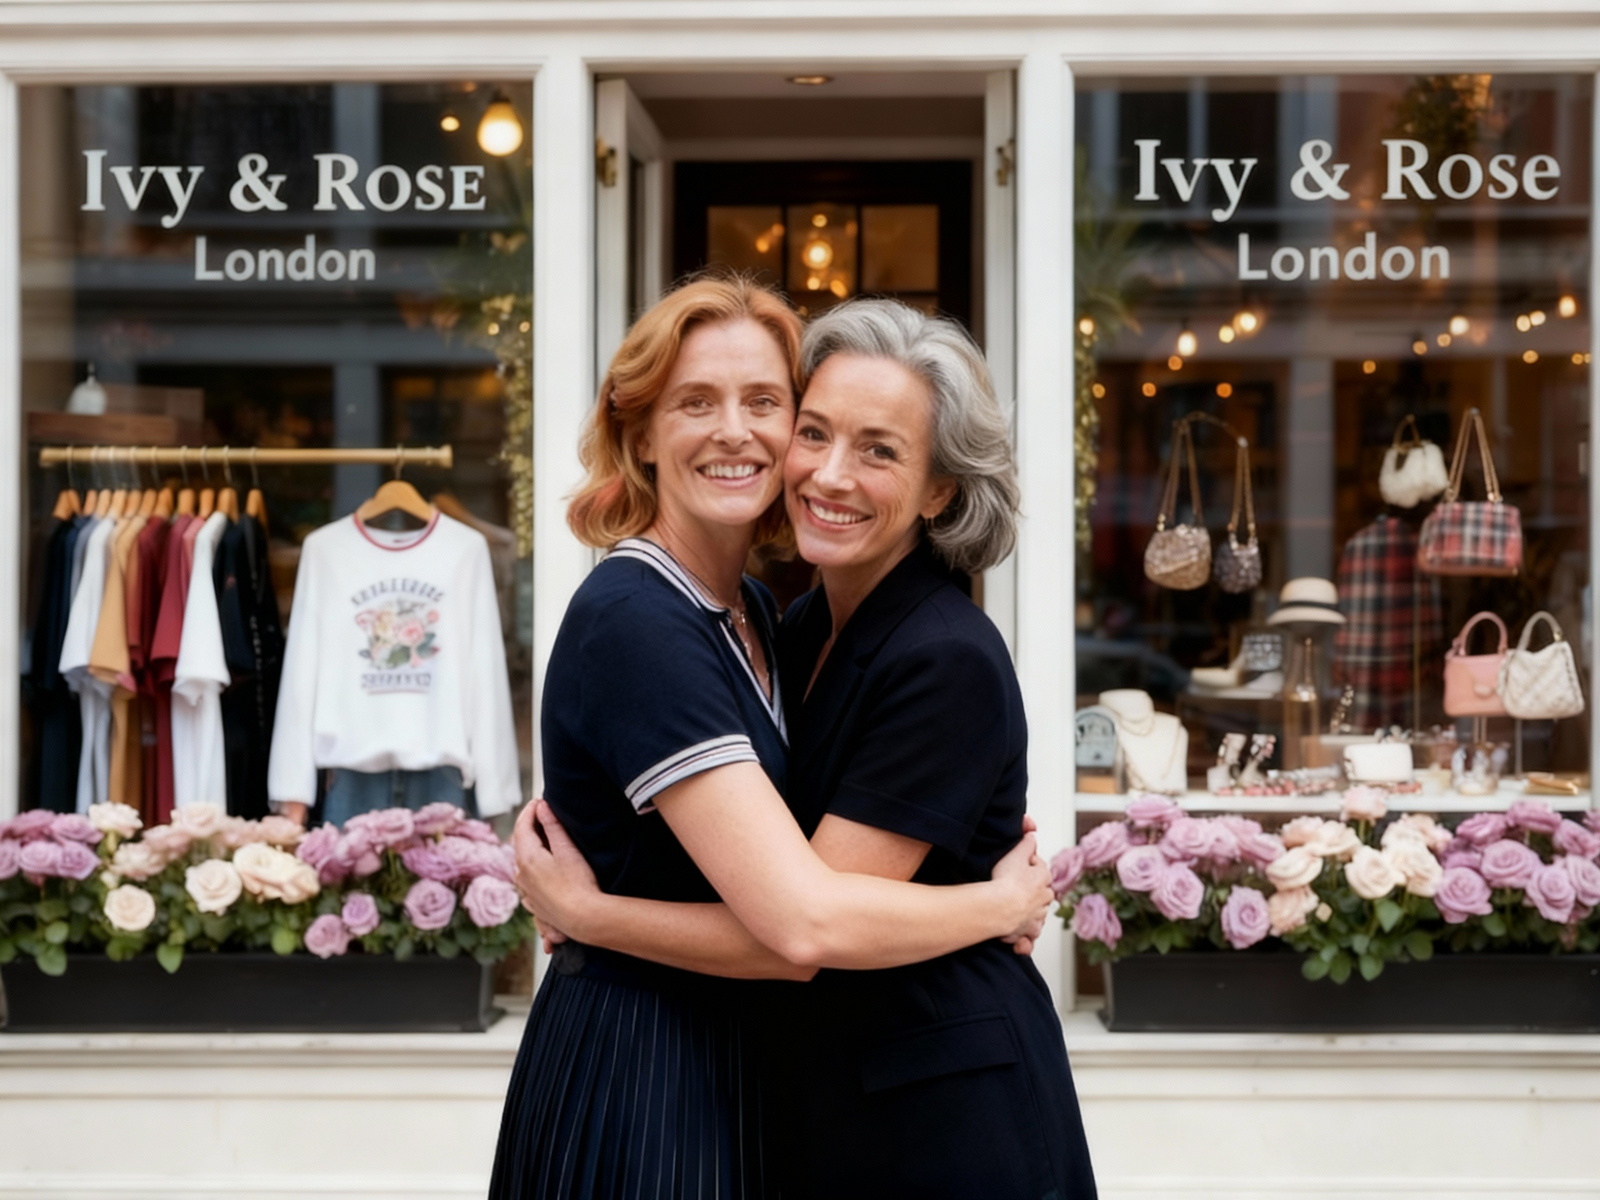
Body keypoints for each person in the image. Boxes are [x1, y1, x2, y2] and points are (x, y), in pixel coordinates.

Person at [518, 298, 1097, 1199]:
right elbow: (804, 918)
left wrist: (595, 916)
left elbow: (805, 924)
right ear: (638, 435)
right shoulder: (736, 621)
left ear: (940, 489)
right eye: (817, 431)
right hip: (663, 1065)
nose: (828, 472)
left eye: (879, 449)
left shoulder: (893, 642)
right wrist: (996, 902)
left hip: (935, 1118)